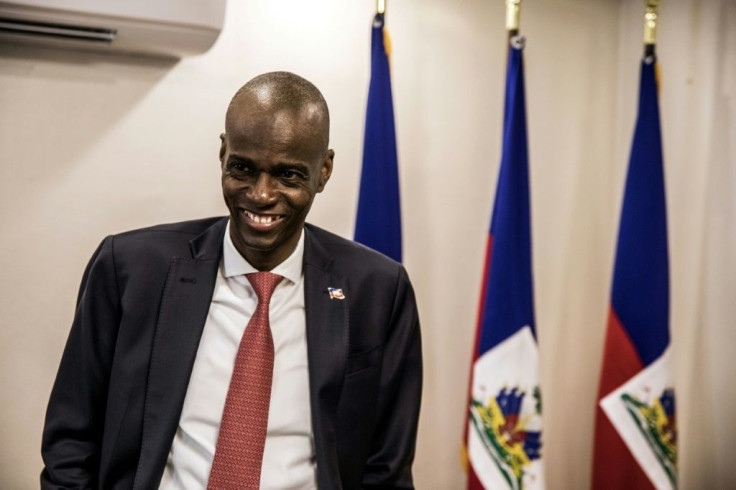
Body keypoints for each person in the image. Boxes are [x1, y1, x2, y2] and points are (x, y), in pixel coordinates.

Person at [41, 72, 422, 489]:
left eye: (288, 175)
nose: (260, 194)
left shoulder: (378, 291)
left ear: (324, 170)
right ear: (223, 153)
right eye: (243, 168)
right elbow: (71, 441)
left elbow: (386, 469)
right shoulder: (130, 269)